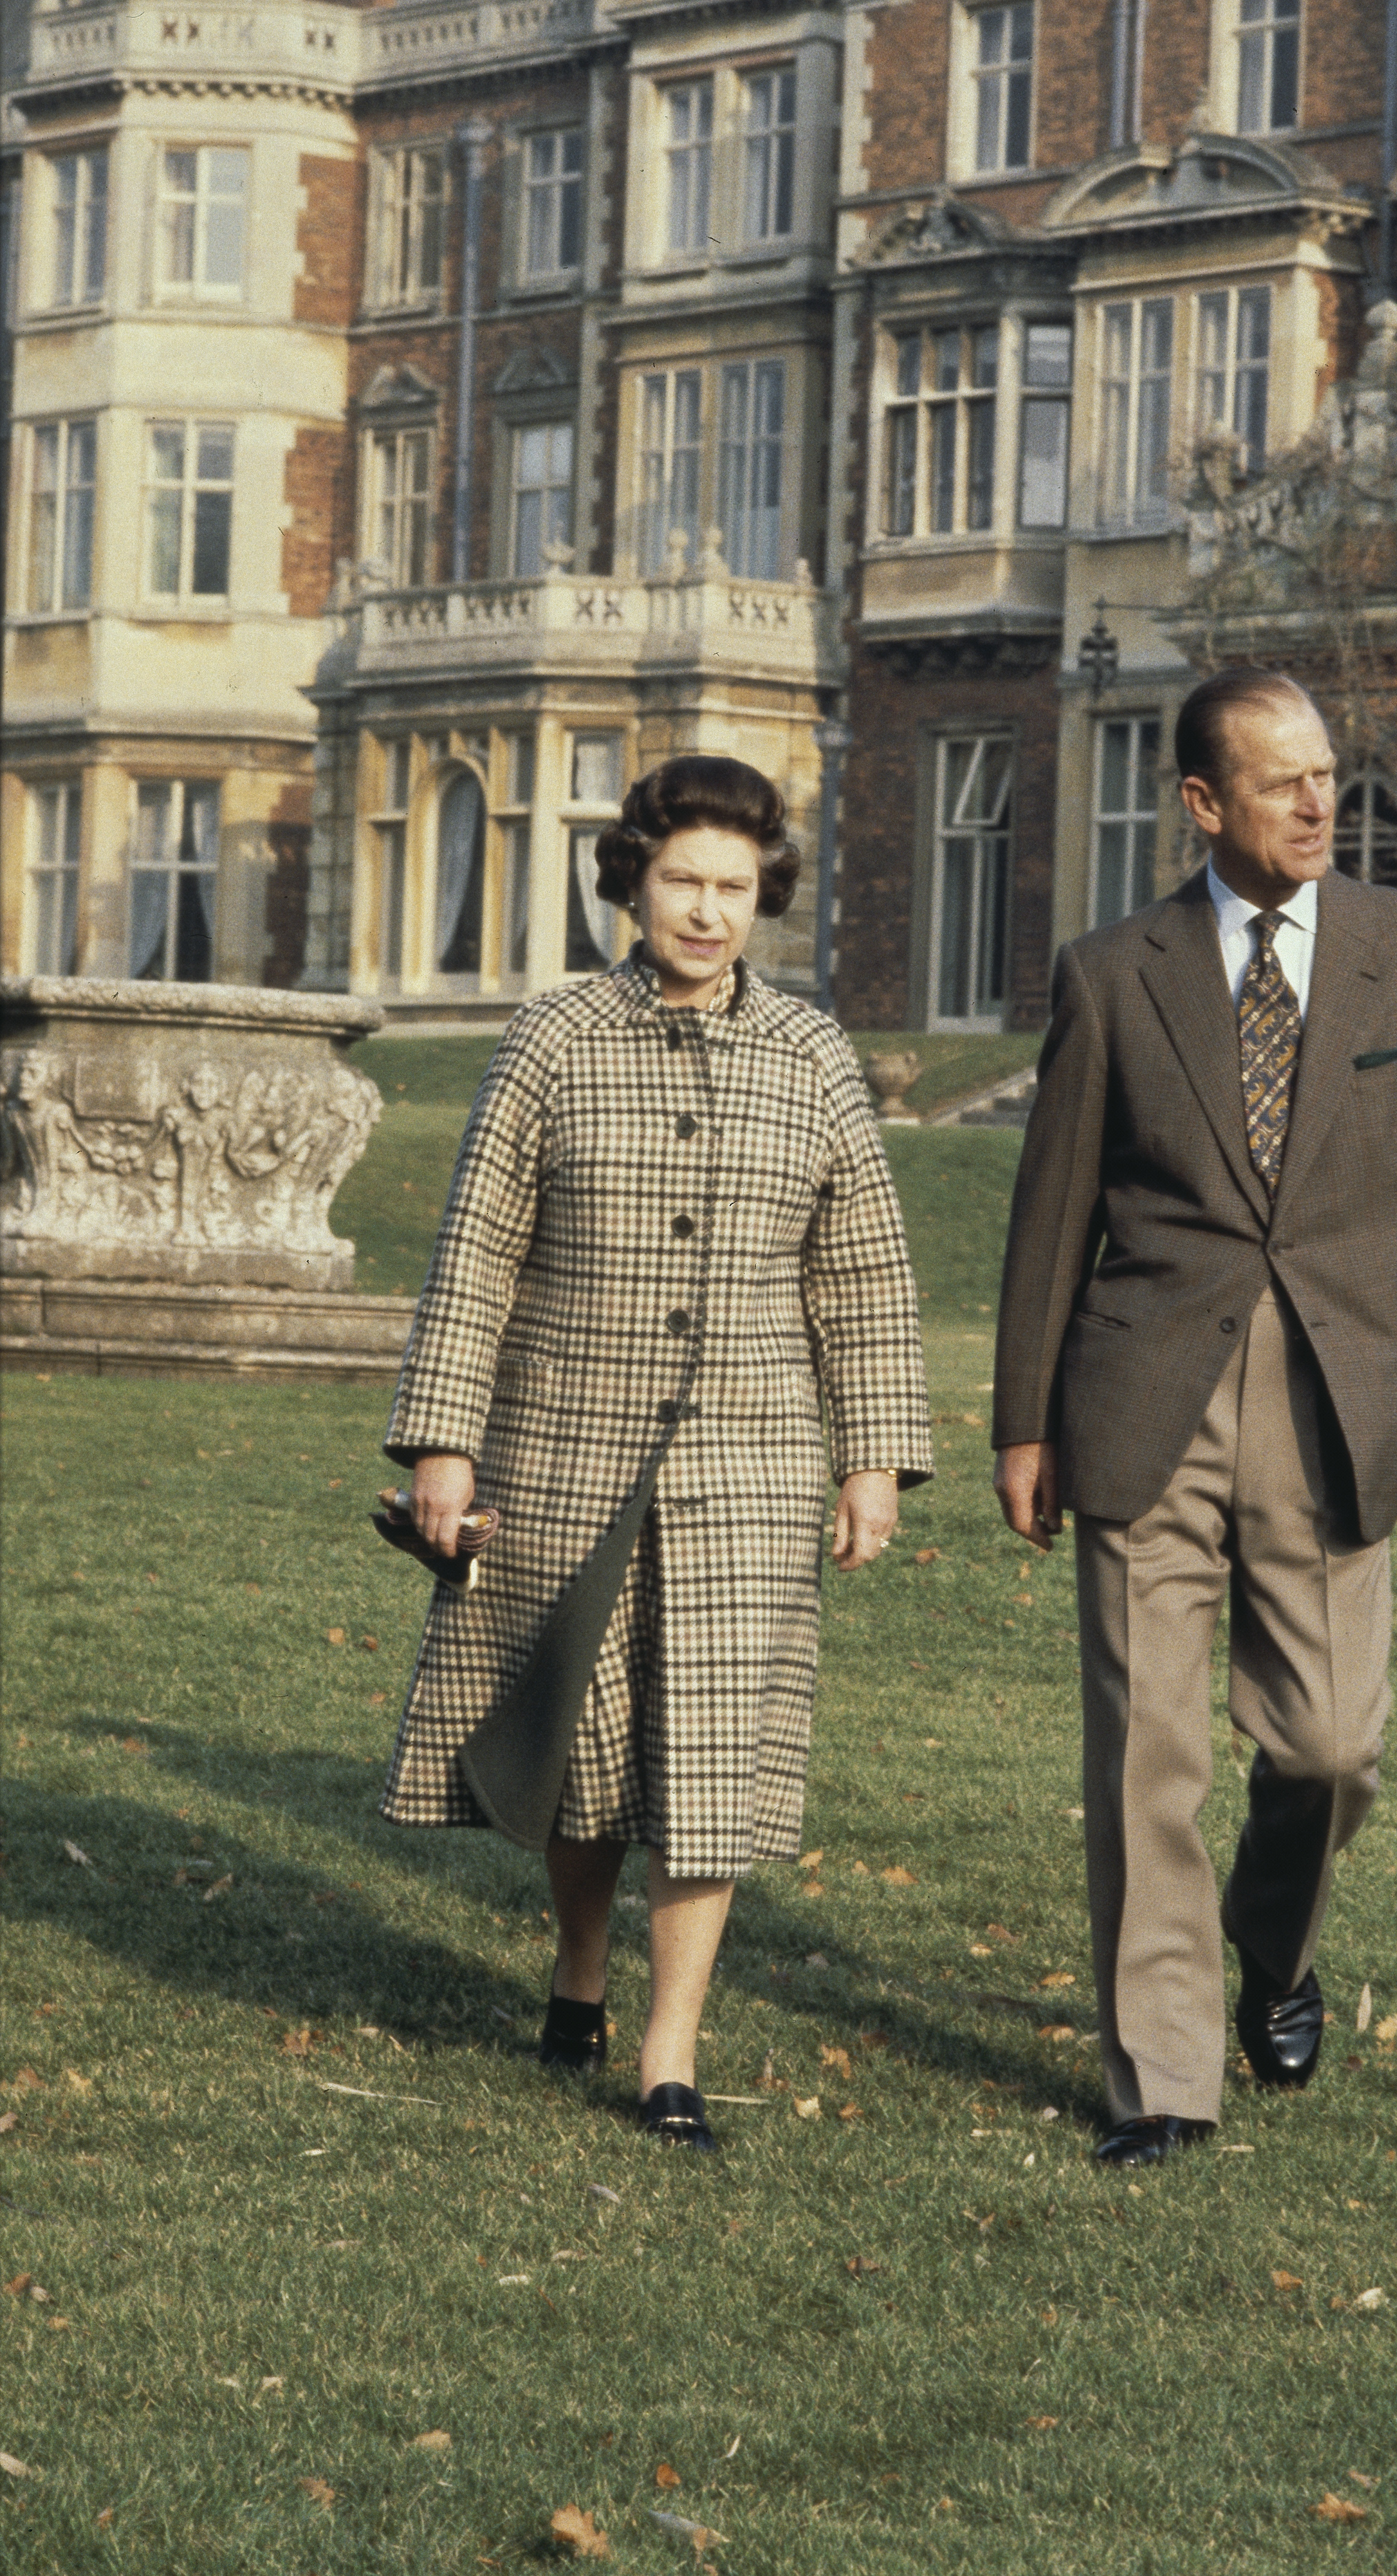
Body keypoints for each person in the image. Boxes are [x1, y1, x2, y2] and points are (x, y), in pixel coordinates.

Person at [380, 753, 932, 2150]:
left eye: (736, 888)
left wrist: (872, 1457)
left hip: (751, 1458)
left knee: (715, 1753)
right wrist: (445, 1442)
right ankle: (578, 1968)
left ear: (767, 898)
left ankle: (670, 2047)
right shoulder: (555, 1033)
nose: (707, 911)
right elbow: (480, 1247)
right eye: (684, 880)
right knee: (588, 1738)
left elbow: (859, 1275)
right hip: (564, 1442)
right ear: (633, 882)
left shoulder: (812, 1056)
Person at [992, 671, 1397, 2169]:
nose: (1319, 803)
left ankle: (1271, 1952)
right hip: (1141, 1393)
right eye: (1282, 783)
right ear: (1204, 803)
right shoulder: (1112, 973)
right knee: (1150, 1756)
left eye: (1329, 776)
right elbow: (1053, 1218)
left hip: (1341, 1405)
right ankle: (1163, 2081)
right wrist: (1025, 1421)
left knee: (1332, 1751)